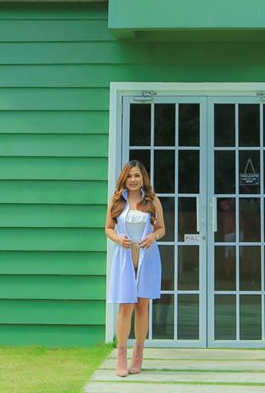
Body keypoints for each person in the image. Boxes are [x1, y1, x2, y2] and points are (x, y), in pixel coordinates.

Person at [105, 161, 165, 377]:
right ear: (124, 178)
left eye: (137, 176)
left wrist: (153, 236)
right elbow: (108, 229)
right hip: (124, 256)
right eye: (129, 176)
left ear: (143, 178)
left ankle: (138, 353)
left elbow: (161, 228)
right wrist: (118, 239)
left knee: (142, 305)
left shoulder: (152, 200)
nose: (133, 179)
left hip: (147, 257)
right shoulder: (116, 201)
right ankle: (121, 355)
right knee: (125, 306)